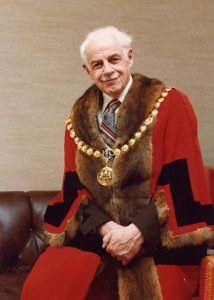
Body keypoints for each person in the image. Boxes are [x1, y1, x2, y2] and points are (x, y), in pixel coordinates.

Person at [21, 26, 214, 300]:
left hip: (159, 239)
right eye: (97, 64)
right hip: (101, 235)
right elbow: (74, 188)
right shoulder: (76, 119)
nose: (108, 70)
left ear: (130, 57)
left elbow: (184, 181)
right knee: (44, 287)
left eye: (114, 59)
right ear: (87, 71)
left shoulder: (170, 103)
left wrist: (136, 232)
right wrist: (108, 229)